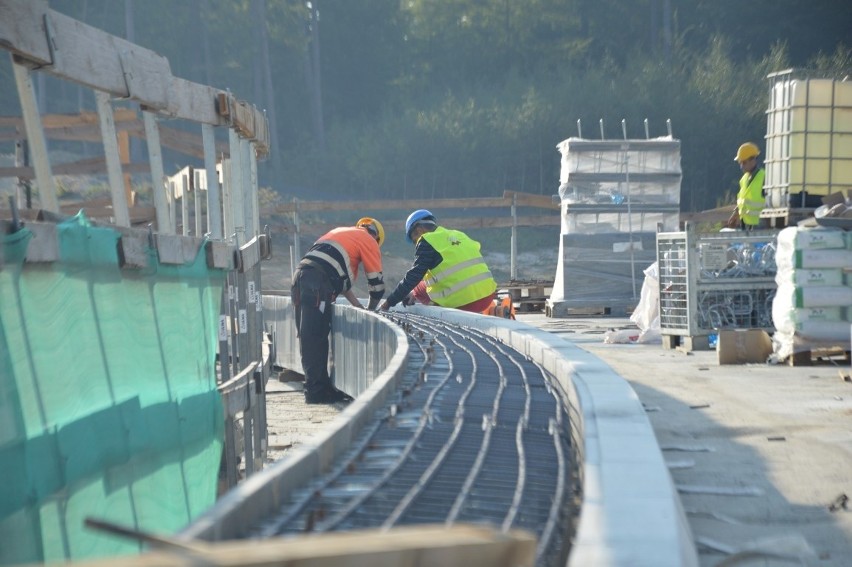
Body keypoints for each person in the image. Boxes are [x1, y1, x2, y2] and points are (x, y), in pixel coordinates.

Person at [291, 217, 385, 404]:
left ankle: (319, 387)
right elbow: (377, 285)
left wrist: (357, 306)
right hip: (317, 283)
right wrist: (372, 309)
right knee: (315, 337)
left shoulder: (341, 233)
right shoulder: (368, 241)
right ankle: (316, 392)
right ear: (377, 237)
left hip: (301, 277)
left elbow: (340, 282)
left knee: (308, 336)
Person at [379, 209, 497, 313]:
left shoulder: (426, 240)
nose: (416, 244)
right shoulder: (458, 234)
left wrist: (388, 303)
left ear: (419, 230)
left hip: (465, 303)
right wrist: (412, 294)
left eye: (414, 240)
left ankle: (440, 316)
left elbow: (413, 276)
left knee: (418, 286)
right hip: (488, 296)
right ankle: (414, 296)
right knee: (418, 289)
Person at [727, 142, 766, 230]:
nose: (741, 166)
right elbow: (743, 201)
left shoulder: (764, 178)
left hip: (760, 227)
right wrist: (735, 213)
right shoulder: (744, 179)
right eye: (740, 163)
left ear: (753, 160)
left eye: (744, 162)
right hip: (746, 227)